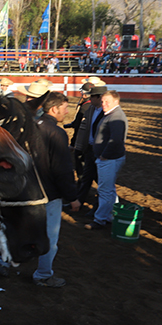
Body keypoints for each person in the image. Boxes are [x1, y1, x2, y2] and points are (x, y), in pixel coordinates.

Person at [30, 92, 79, 287]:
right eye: (65, 108)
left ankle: (6, 263)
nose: (67, 112)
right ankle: (43, 274)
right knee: (50, 235)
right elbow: (63, 170)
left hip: (28, 191)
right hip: (49, 193)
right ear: (54, 109)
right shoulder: (57, 133)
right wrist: (72, 197)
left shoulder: (31, 127)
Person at [85, 90, 127, 230]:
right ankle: (109, 215)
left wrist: (104, 155)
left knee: (104, 189)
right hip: (110, 157)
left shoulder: (115, 117)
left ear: (116, 101)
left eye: (107, 101)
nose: (103, 104)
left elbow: (116, 140)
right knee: (108, 188)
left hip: (109, 158)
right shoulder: (113, 114)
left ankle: (100, 219)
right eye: (102, 101)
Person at [74, 84, 108, 214]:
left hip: (100, 151)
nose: (90, 98)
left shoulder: (105, 112)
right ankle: (79, 202)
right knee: (86, 177)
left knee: (100, 181)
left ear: (99, 97)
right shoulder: (92, 109)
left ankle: (97, 207)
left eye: (92, 96)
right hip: (90, 149)